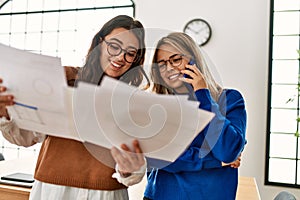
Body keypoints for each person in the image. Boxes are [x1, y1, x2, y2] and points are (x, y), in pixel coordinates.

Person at [0, 15, 147, 200]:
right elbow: (27, 137)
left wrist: (129, 169)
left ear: (136, 59)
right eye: (114, 46)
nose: (120, 57)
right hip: (53, 191)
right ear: (99, 43)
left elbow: (135, 167)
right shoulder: (64, 79)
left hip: (106, 194)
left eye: (130, 53)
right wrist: (5, 114)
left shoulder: (133, 100)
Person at [143, 32, 247, 200]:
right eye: (161, 64)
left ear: (194, 60)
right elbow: (161, 157)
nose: (169, 68)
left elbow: (228, 152)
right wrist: (214, 162)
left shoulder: (231, 99)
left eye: (176, 60)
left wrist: (202, 94)